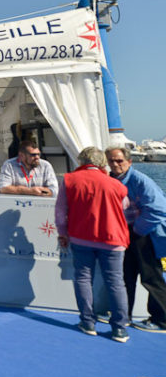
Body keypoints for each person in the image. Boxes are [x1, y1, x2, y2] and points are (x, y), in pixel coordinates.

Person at [55, 147, 130, 342]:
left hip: (81, 237)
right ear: (102, 163)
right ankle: (119, 329)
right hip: (112, 239)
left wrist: (62, 233)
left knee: (83, 278)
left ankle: (88, 322)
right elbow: (125, 207)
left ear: (81, 162)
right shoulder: (117, 185)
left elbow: (60, 212)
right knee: (115, 282)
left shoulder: (70, 180)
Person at [106, 146, 166, 332]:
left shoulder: (141, 181)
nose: (115, 165)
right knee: (126, 275)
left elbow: (159, 209)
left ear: (129, 162)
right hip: (125, 235)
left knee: (151, 277)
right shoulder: (110, 180)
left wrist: (137, 229)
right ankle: (125, 315)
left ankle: (162, 319)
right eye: (111, 161)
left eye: (119, 161)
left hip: (145, 235)